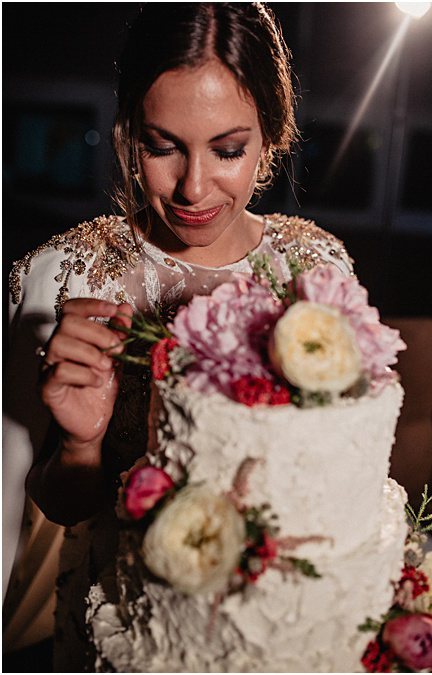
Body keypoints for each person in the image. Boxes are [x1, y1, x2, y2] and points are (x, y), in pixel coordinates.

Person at [0, 4, 361, 666]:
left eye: (228, 150)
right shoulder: (63, 276)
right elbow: (28, 513)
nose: (194, 186)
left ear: (272, 135)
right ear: (124, 135)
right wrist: (82, 447)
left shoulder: (316, 272)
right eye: (162, 146)